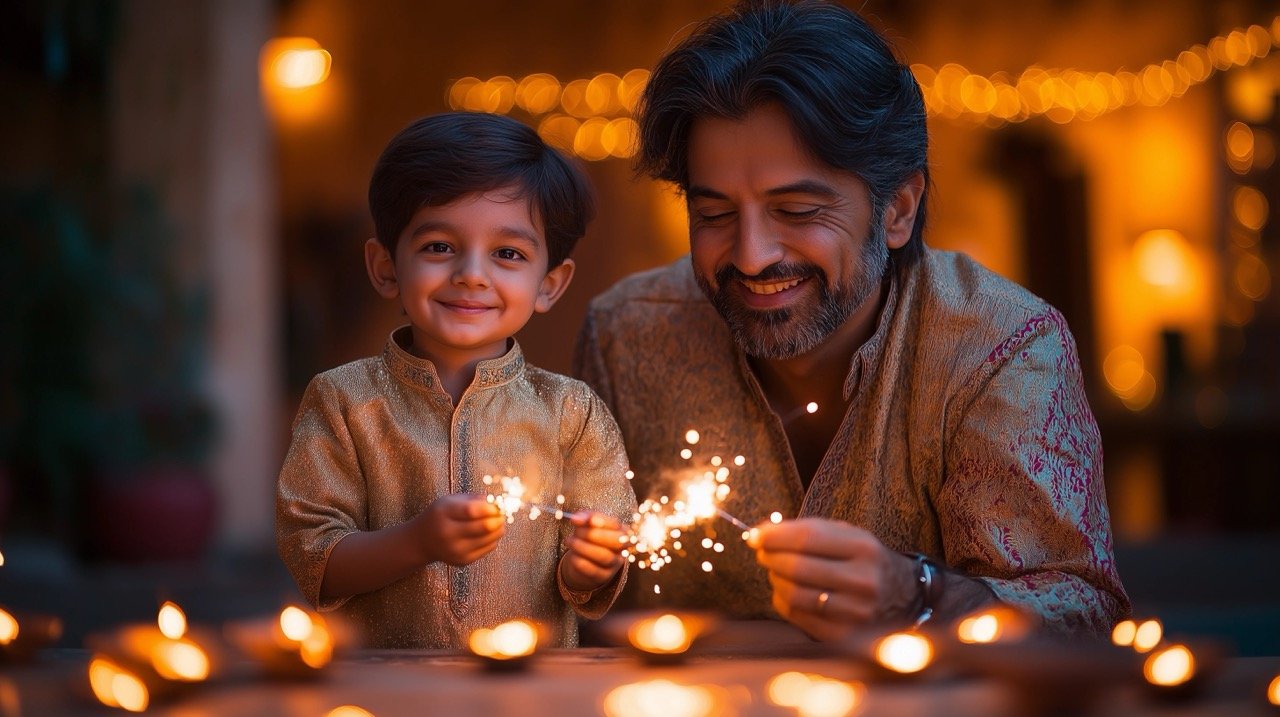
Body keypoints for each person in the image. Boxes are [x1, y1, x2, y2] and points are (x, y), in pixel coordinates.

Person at [574, 0, 1129, 641]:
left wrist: (919, 594)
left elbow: (1087, 617)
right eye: (716, 215)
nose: (752, 255)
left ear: (897, 209)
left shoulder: (1000, 347)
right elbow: (580, 611)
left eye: (799, 210)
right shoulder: (626, 334)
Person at [277, 112, 637, 649]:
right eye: (439, 247)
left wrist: (591, 565)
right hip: (380, 692)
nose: (471, 273)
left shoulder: (570, 412)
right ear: (384, 268)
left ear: (550, 285)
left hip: (534, 693)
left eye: (508, 254)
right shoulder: (344, 401)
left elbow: (600, 564)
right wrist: (416, 542)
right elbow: (314, 560)